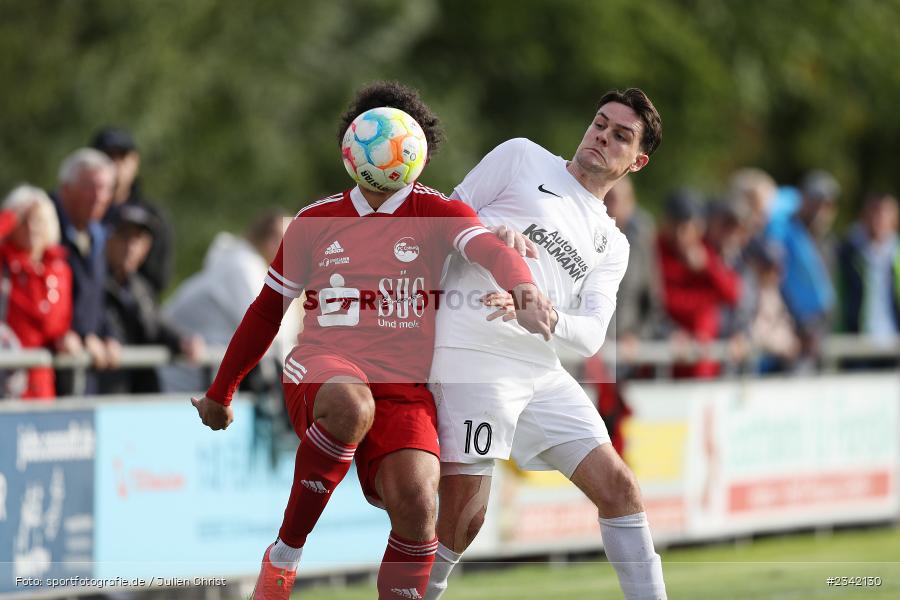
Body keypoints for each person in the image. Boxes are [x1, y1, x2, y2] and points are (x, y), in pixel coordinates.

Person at [190, 81, 552, 600]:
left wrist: (523, 287)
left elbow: (490, 249)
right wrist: (221, 392)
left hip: (404, 388)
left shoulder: (437, 213)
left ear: (418, 149)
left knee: (420, 507)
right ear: (351, 144)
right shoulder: (315, 221)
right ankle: (284, 558)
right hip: (322, 365)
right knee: (351, 404)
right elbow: (266, 311)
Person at [425, 89, 668, 600]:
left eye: (621, 135)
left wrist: (548, 318)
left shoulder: (614, 242)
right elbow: (442, 218)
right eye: (600, 123)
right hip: (474, 353)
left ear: (638, 161)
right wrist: (491, 233)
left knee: (620, 488)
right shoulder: (522, 156)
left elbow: (591, 334)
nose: (603, 136)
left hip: (540, 369)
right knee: (464, 518)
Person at [160, 209, 296, 394]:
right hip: (178, 386)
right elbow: (270, 332)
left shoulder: (246, 265)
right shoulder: (241, 267)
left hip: (195, 380)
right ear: (268, 239)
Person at [98, 204, 204, 394]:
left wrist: (182, 340)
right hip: (103, 396)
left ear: (146, 248)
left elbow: (156, 323)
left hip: (139, 396)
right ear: (107, 239)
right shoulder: (91, 284)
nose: (131, 247)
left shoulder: (141, 287)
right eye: (124, 236)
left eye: (138, 239)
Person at [50, 148, 120, 394]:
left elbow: (97, 299)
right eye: (90, 187)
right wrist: (75, 333)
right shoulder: (42, 227)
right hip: (47, 369)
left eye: (105, 189)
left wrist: (109, 335)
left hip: (85, 367)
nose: (98, 196)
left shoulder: (97, 234)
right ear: (65, 188)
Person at [0, 185, 79, 399]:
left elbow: (59, 322)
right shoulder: (4, 263)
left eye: (38, 220)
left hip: (42, 384)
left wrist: (65, 339)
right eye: (23, 220)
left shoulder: (60, 269)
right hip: (6, 379)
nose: (31, 227)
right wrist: (6, 218)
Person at [766, 170, 840, 370]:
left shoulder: (828, 243)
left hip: (819, 337)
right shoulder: (780, 236)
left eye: (827, 204)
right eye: (816, 201)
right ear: (803, 200)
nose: (821, 210)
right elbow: (774, 283)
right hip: (786, 337)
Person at [92, 127, 175, 299]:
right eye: (108, 156)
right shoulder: (80, 212)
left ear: (135, 162)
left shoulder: (153, 218)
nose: (115, 165)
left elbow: (158, 279)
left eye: (122, 157)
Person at [836, 192, 899, 345]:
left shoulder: (896, 253)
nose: (879, 219)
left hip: (893, 337)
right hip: (857, 338)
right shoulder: (847, 252)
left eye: (884, 213)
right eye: (874, 212)